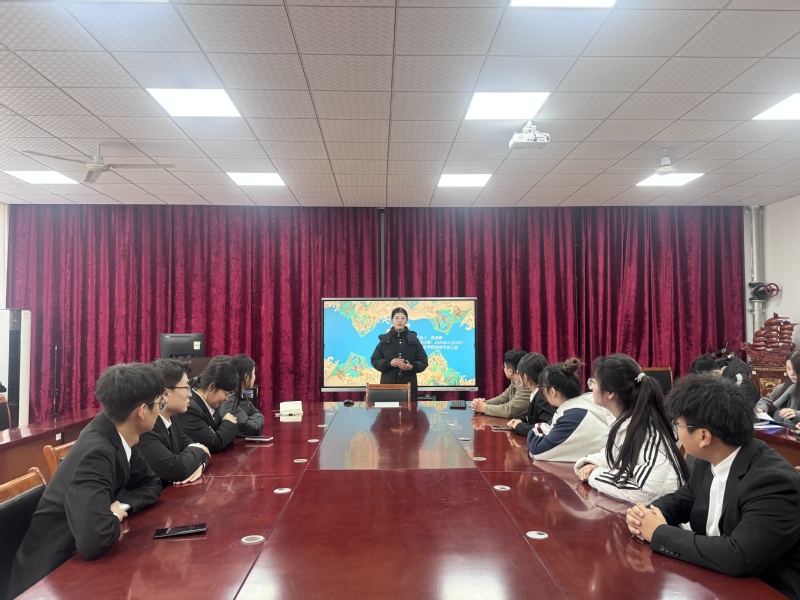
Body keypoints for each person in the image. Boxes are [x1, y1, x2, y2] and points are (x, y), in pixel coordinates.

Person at [626, 374, 800, 600]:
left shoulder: (772, 482)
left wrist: (658, 532)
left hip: (767, 589)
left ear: (704, 436)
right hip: (714, 580)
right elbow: (683, 500)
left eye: (678, 424)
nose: (677, 431)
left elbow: (738, 556)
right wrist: (646, 514)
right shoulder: (710, 459)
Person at [8, 363, 163, 598]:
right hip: (47, 579)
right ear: (142, 411)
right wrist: (113, 515)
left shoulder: (118, 433)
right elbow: (94, 541)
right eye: (160, 404)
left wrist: (120, 507)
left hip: (75, 558)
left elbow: (152, 483)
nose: (160, 411)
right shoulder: (97, 451)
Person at [575, 354, 690, 504]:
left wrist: (595, 474)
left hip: (660, 511)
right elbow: (615, 456)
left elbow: (645, 491)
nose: (591, 388)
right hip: (641, 509)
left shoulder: (648, 432)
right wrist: (592, 463)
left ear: (610, 393)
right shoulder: (626, 421)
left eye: (593, 382)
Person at [138, 359, 211, 486]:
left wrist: (201, 465)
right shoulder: (146, 426)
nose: (190, 395)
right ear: (165, 393)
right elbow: (175, 469)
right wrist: (194, 457)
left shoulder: (173, 418)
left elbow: (200, 449)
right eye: (186, 388)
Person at [525, 358, 612, 462]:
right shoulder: (584, 402)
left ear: (552, 392)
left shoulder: (573, 416)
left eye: (541, 387)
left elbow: (538, 450)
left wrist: (533, 431)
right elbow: (549, 427)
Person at [174, 360, 239, 453]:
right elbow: (214, 444)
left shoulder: (212, 404)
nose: (227, 399)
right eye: (226, 394)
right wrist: (228, 423)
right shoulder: (189, 408)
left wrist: (219, 434)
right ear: (211, 387)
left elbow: (223, 438)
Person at [370, 307, 428, 401]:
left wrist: (410, 367)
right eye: (396, 318)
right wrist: (389, 363)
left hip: (409, 388)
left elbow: (423, 362)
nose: (399, 321)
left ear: (406, 320)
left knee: (410, 410)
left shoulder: (414, 340)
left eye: (402, 318)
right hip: (388, 388)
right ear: (392, 320)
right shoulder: (385, 340)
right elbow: (374, 360)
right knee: (388, 410)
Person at [471, 349, 530, 419]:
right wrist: (482, 403)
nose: (503, 369)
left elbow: (509, 410)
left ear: (510, 371)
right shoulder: (515, 382)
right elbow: (502, 399)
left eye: (504, 367)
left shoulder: (526, 385)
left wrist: (484, 408)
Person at [507, 352, 555, 435]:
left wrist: (519, 426)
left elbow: (546, 428)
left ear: (525, 377)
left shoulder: (542, 397)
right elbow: (533, 418)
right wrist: (519, 421)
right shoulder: (537, 392)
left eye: (519, 372)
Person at [218, 354, 265, 436]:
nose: (255, 377)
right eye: (254, 373)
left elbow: (257, 413)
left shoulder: (241, 395)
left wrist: (254, 419)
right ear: (246, 377)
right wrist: (255, 419)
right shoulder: (229, 400)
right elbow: (251, 428)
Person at [691, 353, 760, 406]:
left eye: (704, 381)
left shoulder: (740, 380)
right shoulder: (719, 379)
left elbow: (735, 409)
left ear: (714, 373)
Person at [755, 350, 799, 424]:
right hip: (777, 429)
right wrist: (761, 409)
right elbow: (768, 402)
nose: (791, 373)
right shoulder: (781, 388)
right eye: (788, 369)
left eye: (795, 369)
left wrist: (797, 415)